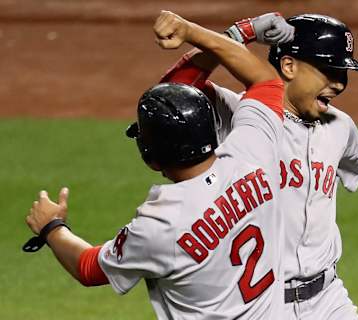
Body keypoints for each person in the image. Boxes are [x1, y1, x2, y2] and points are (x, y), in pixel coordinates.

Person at [159, 12, 358, 319]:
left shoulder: (338, 125)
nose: (339, 84)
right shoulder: (237, 113)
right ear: (289, 66)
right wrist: (240, 33)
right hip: (255, 305)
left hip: (327, 299)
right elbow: (170, 100)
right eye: (329, 71)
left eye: (343, 74)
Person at [24, 10, 287, 319]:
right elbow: (266, 80)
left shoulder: (159, 225)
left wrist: (51, 227)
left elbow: (89, 268)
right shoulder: (255, 152)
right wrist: (218, 32)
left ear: (150, 159)